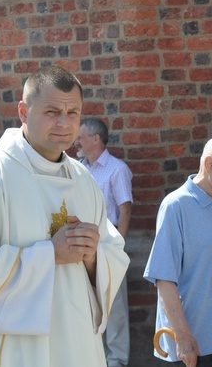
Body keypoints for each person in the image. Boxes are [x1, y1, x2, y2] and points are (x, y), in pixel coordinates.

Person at [0, 65, 130, 367]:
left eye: (73, 113)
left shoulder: (83, 180)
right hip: (13, 350)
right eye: (51, 111)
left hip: (77, 342)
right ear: (23, 111)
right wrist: (50, 255)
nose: (64, 122)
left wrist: (92, 257)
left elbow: (112, 253)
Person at [144, 132, 212, 367]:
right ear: (209, 164)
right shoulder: (175, 205)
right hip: (192, 348)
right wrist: (182, 336)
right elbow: (164, 279)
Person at [74, 117, 133, 367]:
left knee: (115, 308)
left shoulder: (116, 169)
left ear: (96, 139)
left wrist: (117, 245)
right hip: (79, 248)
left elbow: (125, 209)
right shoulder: (76, 168)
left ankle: (117, 361)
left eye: (81, 136)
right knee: (84, 304)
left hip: (106, 246)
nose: (76, 141)